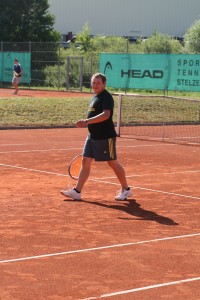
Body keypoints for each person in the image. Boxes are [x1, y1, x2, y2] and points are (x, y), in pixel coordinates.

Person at [61, 73, 133, 201]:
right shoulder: (95, 97)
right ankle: (77, 191)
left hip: (105, 137)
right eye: (93, 83)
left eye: (98, 83)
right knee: (85, 161)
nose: (95, 85)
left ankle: (126, 189)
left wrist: (86, 122)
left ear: (104, 84)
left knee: (112, 162)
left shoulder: (106, 97)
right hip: (92, 136)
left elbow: (106, 115)